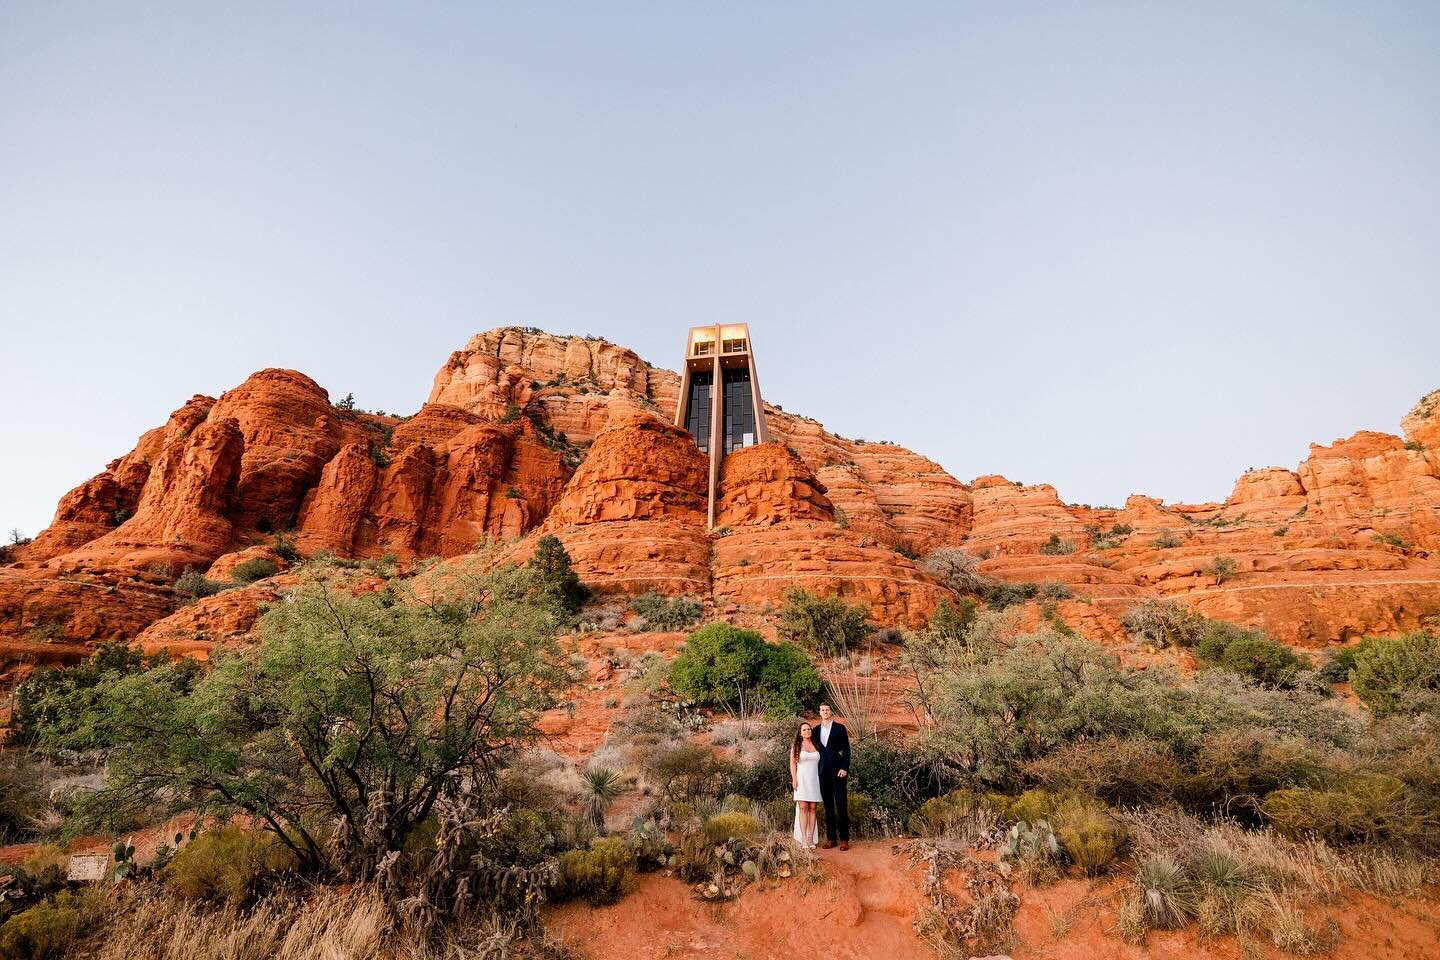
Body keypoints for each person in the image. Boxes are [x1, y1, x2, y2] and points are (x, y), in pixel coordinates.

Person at [815, 703, 850, 850]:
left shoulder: (839, 728)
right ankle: (831, 839)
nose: (825, 712)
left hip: (838, 772)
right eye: (822, 710)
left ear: (831, 712)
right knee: (828, 806)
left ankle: (844, 839)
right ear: (820, 712)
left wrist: (844, 767)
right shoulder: (815, 730)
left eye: (827, 710)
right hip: (823, 773)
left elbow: (846, 749)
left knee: (841, 805)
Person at [790, 721, 822, 848]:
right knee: (803, 808)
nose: (807, 731)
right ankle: (803, 838)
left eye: (809, 729)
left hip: (814, 780)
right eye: (804, 730)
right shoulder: (796, 746)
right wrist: (794, 779)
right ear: (800, 733)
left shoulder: (816, 744)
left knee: (813, 808)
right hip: (801, 779)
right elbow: (792, 763)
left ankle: (810, 839)